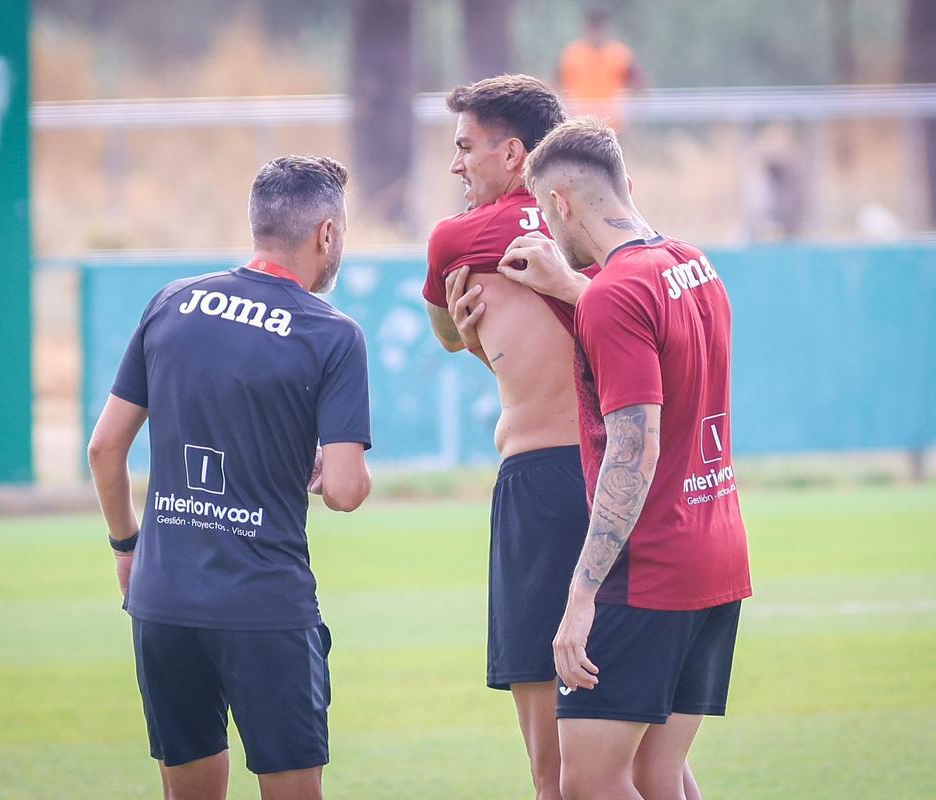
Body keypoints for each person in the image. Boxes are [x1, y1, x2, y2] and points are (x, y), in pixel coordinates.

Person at [423, 74, 698, 800]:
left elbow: (448, 330)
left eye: (465, 149)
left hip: (545, 486)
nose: (457, 166)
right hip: (630, 485)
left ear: (514, 154)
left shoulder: (459, 237)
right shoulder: (614, 235)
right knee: (652, 762)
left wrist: (457, 321)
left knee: (558, 772)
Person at [88, 155, 371, 800]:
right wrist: (332, 469)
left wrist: (128, 548)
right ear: (326, 232)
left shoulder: (172, 302)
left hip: (163, 600)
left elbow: (105, 447)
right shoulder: (331, 334)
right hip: (262, 604)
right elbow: (348, 492)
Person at [499, 118, 752, 800]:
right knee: (654, 773)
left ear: (560, 205)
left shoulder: (614, 295)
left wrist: (580, 595)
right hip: (718, 553)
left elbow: (633, 454)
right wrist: (576, 292)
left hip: (649, 573)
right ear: (626, 189)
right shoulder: (693, 264)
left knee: (588, 782)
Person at [556, 8, 644, 128]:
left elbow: (638, 83)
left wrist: (626, 106)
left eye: (599, 28)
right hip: (580, 124)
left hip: (612, 125)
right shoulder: (573, 54)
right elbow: (555, 83)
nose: (596, 33)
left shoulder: (619, 54)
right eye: (593, 28)